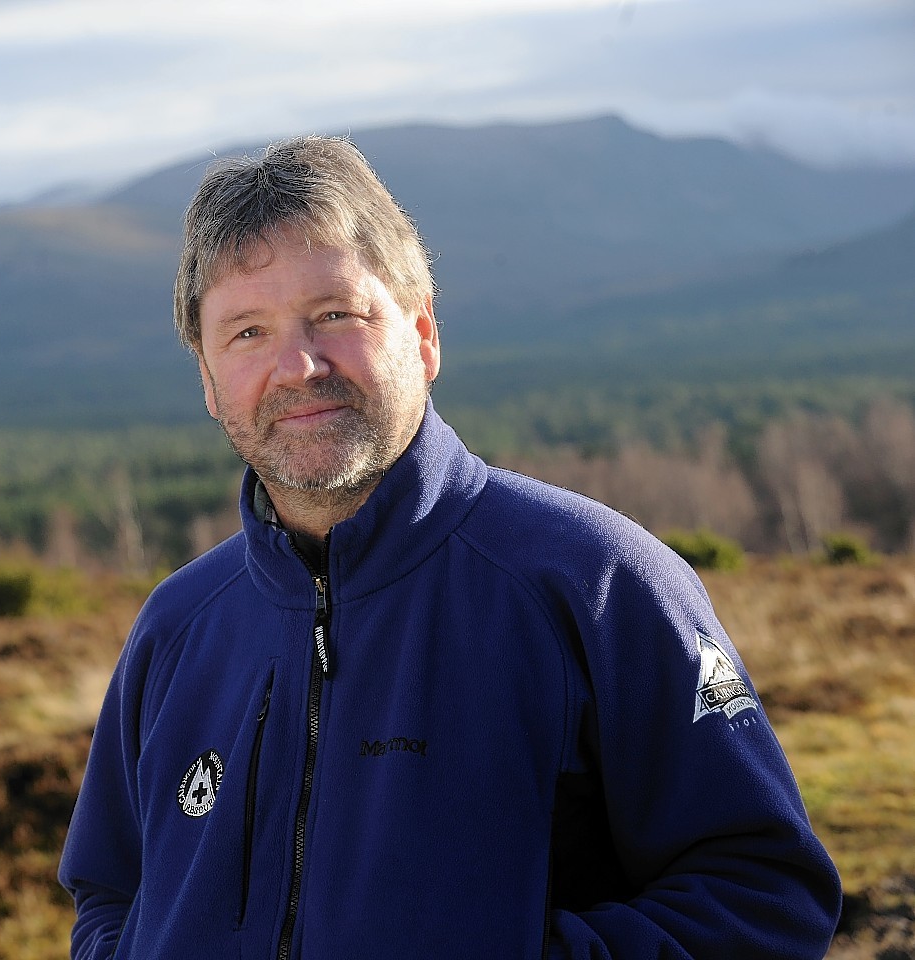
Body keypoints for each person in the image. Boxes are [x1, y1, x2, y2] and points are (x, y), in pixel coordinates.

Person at [58, 136, 842, 959]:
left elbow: (763, 895)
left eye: (336, 315)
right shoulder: (177, 627)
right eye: (247, 333)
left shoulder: (596, 583)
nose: (299, 365)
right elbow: (110, 898)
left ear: (424, 335)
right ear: (210, 385)